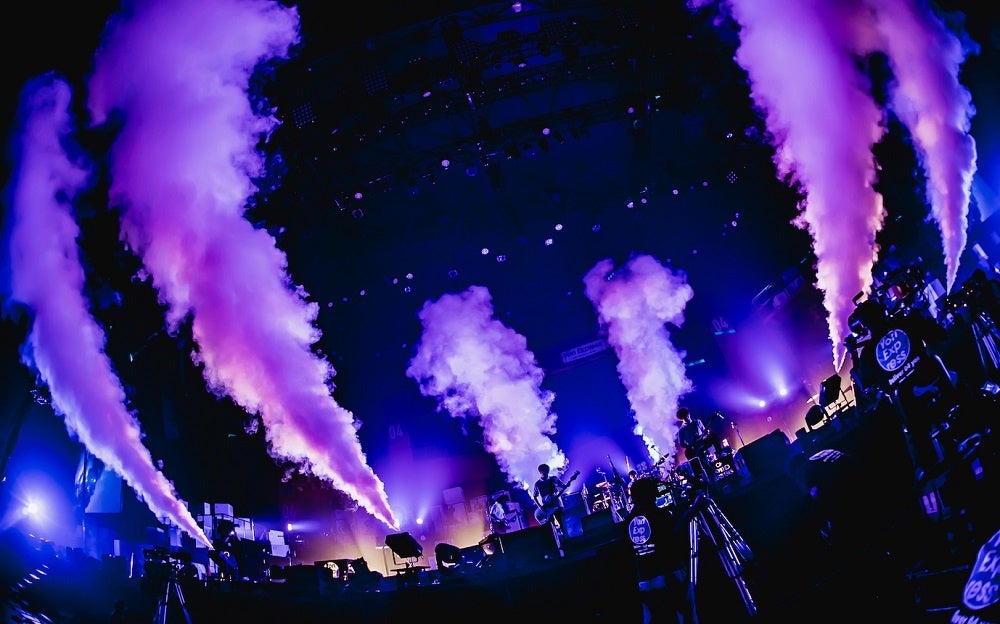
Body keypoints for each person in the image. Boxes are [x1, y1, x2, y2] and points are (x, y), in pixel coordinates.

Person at [624, 476, 698, 623]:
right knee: (685, 614)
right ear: (652, 494)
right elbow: (675, 534)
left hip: (645, 578)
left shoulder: (629, 521)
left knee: (652, 618)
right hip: (670, 573)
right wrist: (694, 508)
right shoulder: (660, 514)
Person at [675, 407, 713, 480]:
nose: (686, 418)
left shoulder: (697, 421)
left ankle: (719, 453)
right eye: (684, 417)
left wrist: (707, 433)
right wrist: (690, 446)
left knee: (713, 436)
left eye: (687, 415)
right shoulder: (681, 430)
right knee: (691, 456)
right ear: (682, 418)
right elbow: (681, 443)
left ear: (689, 414)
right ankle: (700, 476)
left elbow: (704, 431)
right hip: (694, 448)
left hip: (703, 443)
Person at [532, 463, 567, 536]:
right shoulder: (537, 484)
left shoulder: (554, 479)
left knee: (562, 523)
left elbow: (562, 486)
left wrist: (566, 485)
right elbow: (534, 496)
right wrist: (540, 507)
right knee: (551, 527)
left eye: (547, 472)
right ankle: (557, 539)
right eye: (544, 473)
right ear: (540, 472)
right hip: (547, 507)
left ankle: (566, 537)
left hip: (557, 505)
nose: (546, 474)